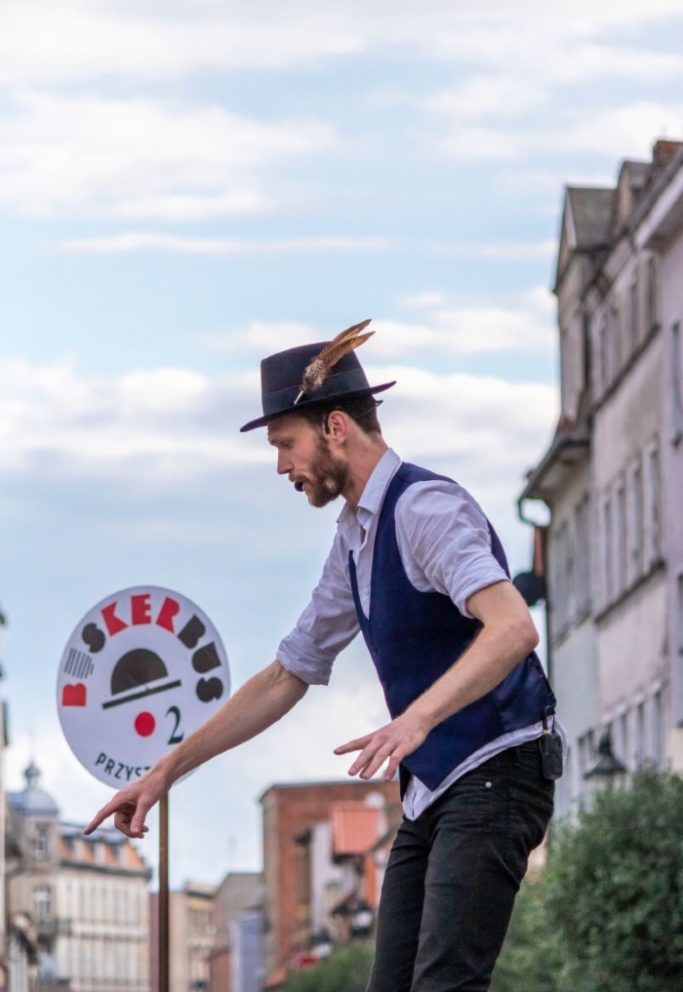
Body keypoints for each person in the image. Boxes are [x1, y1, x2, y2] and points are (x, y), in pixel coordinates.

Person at [85, 321, 560, 992]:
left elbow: (513, 628)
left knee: (444, 984)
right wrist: (165, 773)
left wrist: (413, 720)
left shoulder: (424, 509)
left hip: (496, 768)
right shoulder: (353, 539)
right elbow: (287, 673)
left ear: (335, 426)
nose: (281, 465)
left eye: (285, 443)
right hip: (433, 788)